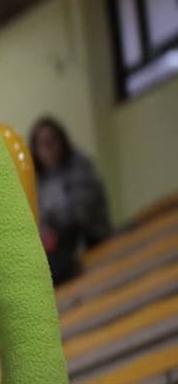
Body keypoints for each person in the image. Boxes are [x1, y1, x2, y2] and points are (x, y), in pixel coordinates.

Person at [30, 116, 112, 285]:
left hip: (88, 237)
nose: (49, 148)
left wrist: (56, 232)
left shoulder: (80, 166)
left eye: (52, 141)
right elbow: (40, 219)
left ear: (62, 141)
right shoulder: (39, 181)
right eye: (42, 144)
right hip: (58, 245)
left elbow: (82, 212)